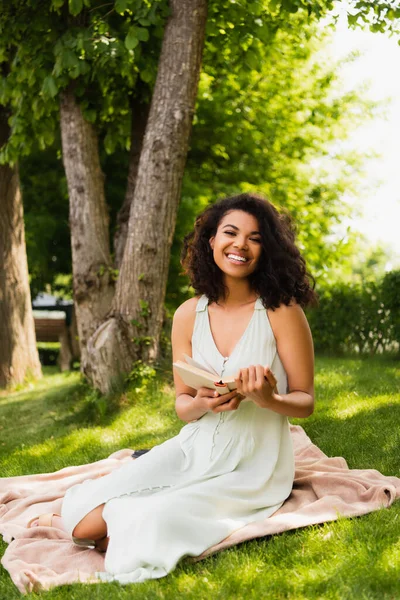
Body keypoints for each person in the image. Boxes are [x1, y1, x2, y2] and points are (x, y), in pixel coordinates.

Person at [28, 192, 316, 584]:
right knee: (83, 515)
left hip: (253, 467)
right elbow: (183, 405)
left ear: (267, 250)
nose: (241, 245)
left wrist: (269, 399)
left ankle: (120, 531)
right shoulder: (187, 314)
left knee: (153, 517)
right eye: (230, 233)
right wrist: (202, 402)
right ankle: (79, 527)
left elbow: (305, 401)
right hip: (192, 447)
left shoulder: (283, 311)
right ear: (211, 240)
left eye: (256, 238)